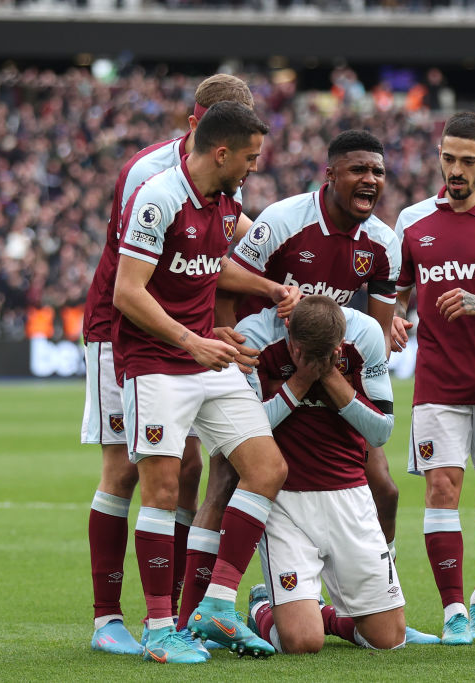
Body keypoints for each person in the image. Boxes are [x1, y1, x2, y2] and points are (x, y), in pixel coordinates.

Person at [224, 130, 437, 642]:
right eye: (359, 170)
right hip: (270, 362)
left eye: (378, 172)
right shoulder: (283, 221)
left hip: (334, 363)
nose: (370, 180)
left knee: (383, 485)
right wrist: (226, 338)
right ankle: (217, 604)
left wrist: (385, 335)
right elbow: (227, 279)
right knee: (222, 481)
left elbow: (381, 332)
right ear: (331, 175)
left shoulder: (384, 243)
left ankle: (373, 597)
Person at [113, 101, 298, 664]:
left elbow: (211, 265)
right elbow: (128, 291)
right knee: (164, 491)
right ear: (221, 152)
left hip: (207, 357)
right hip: (155, 362)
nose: (253, 167)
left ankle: (217, 605)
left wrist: (264, 292)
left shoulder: (226, 200)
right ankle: (159, 629)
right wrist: (190, 340)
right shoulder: (160, 197)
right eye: (250, 157)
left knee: (268, 469)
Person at [81, 73, 256, 656]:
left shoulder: (226, 179)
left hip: (188, 338)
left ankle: (177, 608)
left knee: (185, 469)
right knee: (127, 472)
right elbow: (136, 279)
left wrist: (283, 289)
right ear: (200, 126)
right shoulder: (150, 177)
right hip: (122, 330)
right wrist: (193, 336)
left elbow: (226, 252)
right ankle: (109, 617)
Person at [391, 112, 475, 646]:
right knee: (441, 488)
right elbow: (396, 290)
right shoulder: (413, 221)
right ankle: (452, 610)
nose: (455, 170)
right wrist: (396, 318)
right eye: (448, 159)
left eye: (467, 161)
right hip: (438, 382)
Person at [236, 295, 406, 653]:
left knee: (389, 640)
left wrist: (329, 376)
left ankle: (322, 614)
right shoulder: (254, 338)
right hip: (285, 502)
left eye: (326, 354)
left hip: (351, 497)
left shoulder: (366, 336)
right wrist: (300, 381)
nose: (317, 360)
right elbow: (249, 431)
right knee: (301, 643)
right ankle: (263, 606)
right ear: (292, 342)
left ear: (339, 344)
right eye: (307, 353)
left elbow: (381, 431)